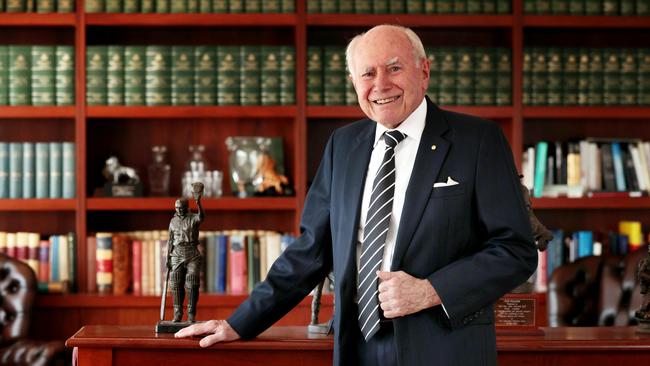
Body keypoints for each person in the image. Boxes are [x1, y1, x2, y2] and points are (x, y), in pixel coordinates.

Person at [176, 24, 537, 366]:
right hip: (355, 344)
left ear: (424, 71)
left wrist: (432, 290)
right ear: (354, 83)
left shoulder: (477, 141)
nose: (381, 84)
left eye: (394, 68)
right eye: (367, 74)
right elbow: (312, 249)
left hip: (443, 345)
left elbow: (516, 250)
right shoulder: (343, 145)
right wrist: (240, 322)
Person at [167, 195, 205, 323]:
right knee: (176, 283)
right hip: (177, 253)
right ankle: (177, 313)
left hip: (191, 253)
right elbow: (170, 240)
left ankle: (191, 313)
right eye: (177, 208)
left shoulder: (193, 218)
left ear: (187, 207)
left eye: (181, 208)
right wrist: (168, 257)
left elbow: (202, 217)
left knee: (192, 283)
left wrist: (198, 203)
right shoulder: (173, 221)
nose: (179, 210)